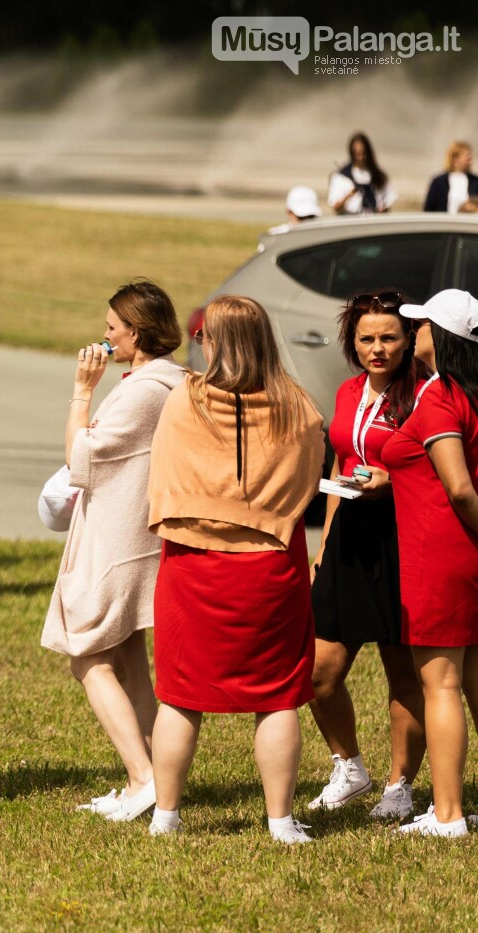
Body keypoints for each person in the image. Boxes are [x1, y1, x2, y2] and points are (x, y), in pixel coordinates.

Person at [146, 295, 324, 844]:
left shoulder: (185, 400)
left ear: (213, 341)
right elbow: (308, 483)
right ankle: (279, 821)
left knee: (179, 695)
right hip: (269, 567)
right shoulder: (299, 405)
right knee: (276, 697)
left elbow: (163, 475)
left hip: (193, 566)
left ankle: (166, 816)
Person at [41, 280, 186, 822]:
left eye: (112, 328)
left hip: (118, 542)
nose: (103, 335)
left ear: (137, 333)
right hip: (141, 537)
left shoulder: (145, 390)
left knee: (86, 657)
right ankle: (151, 782)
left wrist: (82, 390)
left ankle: (144, 777)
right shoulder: (172, 381)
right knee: (128, 660)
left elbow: (82, 458)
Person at [306, 292, 429, 820]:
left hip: (406, 538)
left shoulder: (427, 393)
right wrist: (325, 540)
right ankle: (349, 766)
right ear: (351, 342)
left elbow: (440, 470)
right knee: (316, 673)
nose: (377, 349)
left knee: (404, 674)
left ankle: (400, 787)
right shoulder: (349, 389)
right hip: (350, 538)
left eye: (388, 337)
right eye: (366, 338)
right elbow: (340, 460)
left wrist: (393, 483)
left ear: (408, 340)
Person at [381, 289, 478, 836]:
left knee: (439, 686)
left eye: (418, 324)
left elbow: (460, 488)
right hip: (462, 556)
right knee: (473, 683)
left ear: (440, 336)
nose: (409, 331)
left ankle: (447, 815)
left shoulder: (439, 396)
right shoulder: (465, 392)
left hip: (438, 557)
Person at [329, 132, 396, 215]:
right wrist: (349, 195)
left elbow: (387, 202)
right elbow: (336, 207)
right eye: (357, 154)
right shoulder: (341, 177)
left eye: (363, 153)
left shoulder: (378, 176)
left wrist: (381, 210)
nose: (360, 158)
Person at [423, 142, 478, 214]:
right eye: (467, 157)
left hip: (467, 223)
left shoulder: (475, 181)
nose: (470, 160)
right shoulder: (439, 182)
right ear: (455, 159)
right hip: (445, 223)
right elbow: (428, 209)